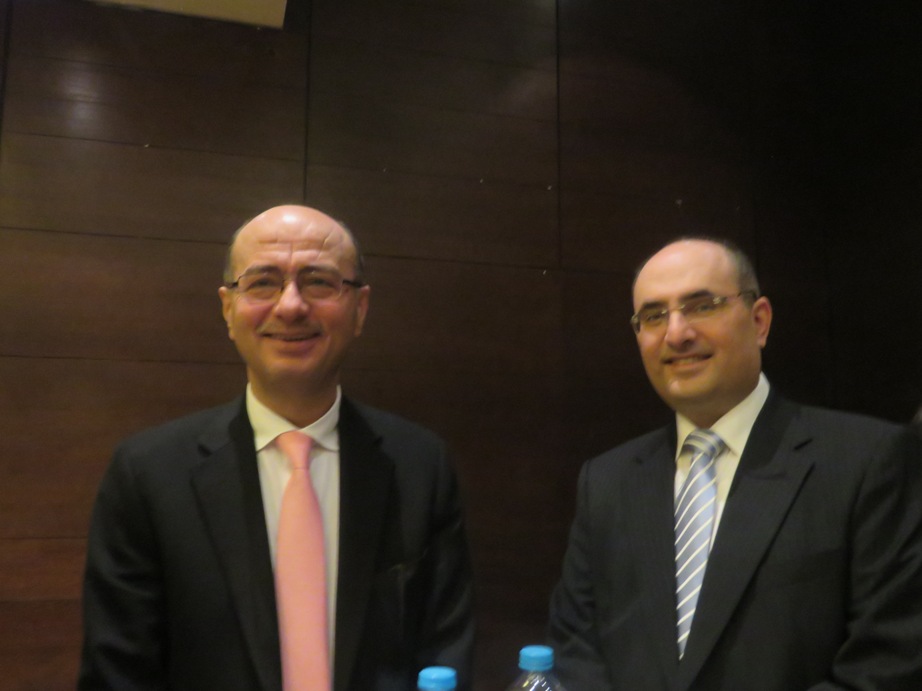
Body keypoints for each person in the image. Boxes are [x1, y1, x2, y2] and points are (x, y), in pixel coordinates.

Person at [79, 205, 475, 691]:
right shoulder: (147, 475)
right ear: (228, 309)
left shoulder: (420, 465)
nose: (290, 306)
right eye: (263, 282)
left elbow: (445, 649)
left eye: (319, 282)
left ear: (360, 309)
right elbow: (117, 675)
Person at [548, 237, 922, 690]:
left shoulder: (866, 460)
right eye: (654, 316)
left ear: (759, 321)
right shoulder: (608, 481)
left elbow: (888, 664)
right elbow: (575, 647)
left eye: (702, 306)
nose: (676, 334)